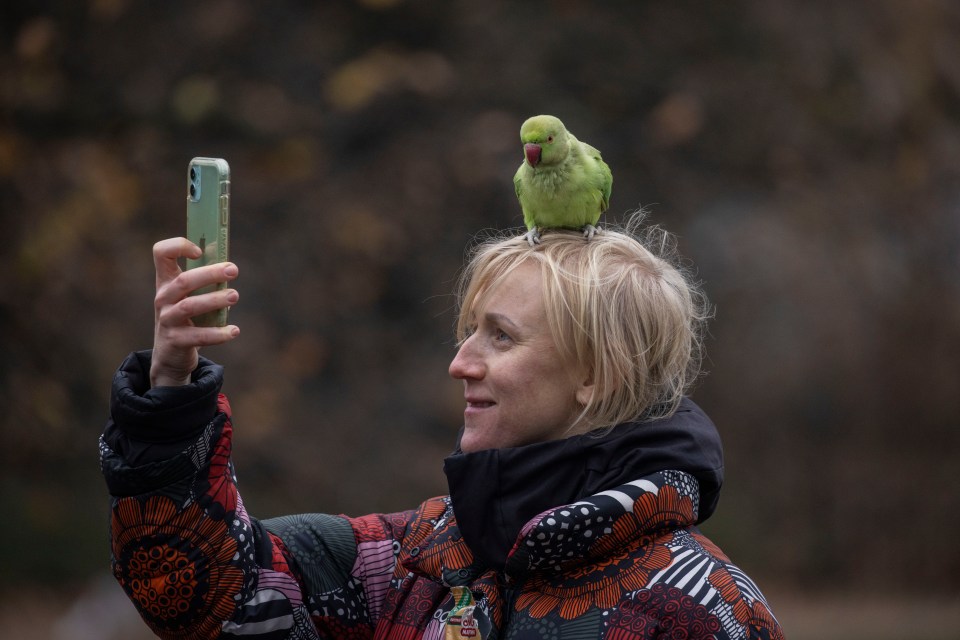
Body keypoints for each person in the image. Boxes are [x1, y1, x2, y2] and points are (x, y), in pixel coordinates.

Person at [100, 215, 784, 639]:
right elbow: (212, 596)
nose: (460, 363)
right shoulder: (416, 558)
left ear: (596, 375)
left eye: (501, 338)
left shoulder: (701, 606)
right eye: (467, 333)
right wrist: (171, 386)